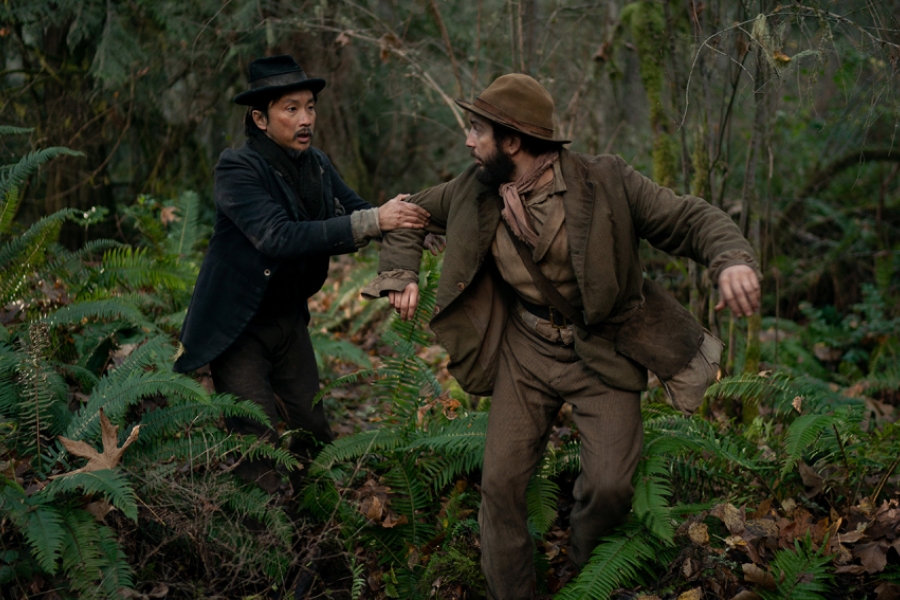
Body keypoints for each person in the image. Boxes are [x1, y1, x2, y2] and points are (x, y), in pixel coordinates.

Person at [362, 74, 761, 599]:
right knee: (501, 486)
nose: (467, 140)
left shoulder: (607, 181)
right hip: (524, 350)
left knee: (612, 487)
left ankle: (585, 574)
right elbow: (408, 214)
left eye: (477, 130)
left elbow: (689, 218)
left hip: (602, 348)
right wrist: (400, 273)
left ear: (513, 142)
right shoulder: (472, 190)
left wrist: (731, 261)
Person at [174, 55, 431, 493]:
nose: (305, 118)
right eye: (290, 108)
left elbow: (359, 210)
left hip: (289, 319)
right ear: (259, 118)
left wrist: (414, 224)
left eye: (310, 106)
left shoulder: (317, 164)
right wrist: (375, 221)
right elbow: (278, 236)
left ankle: (318, 539)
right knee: (257, 444)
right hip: (238, 327)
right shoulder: (237, 168)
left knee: (312, 431)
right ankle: (263, 549)